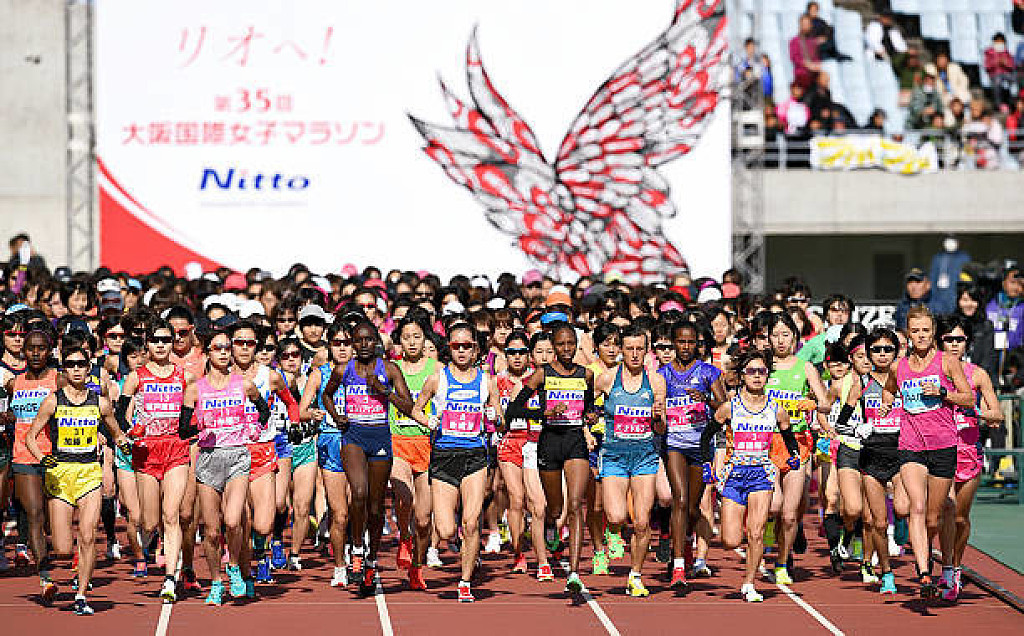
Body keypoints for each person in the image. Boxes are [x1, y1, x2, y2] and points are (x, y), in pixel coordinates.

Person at [26, 346, 129, 615]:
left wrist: (124, 443)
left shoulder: (100, 403)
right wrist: (42, 458)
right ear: (64, 370)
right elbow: (30, 437)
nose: (76, 369)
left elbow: (117, 433)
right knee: (62, 548)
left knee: (88, 536)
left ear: (88, 368)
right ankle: (67, 566)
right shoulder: (53, 401)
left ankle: (81, 595)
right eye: (70, 365)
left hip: (89, 472)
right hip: (60, 474)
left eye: (81, 364)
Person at [701, 349, 801, 603]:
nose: (757, 376)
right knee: (730, 540)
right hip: (734, 474)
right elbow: (706, 435)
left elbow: (789, 437)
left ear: (767, 375)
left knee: (756, 533)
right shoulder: (729, 408)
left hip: (762, 475)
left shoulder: (776, 410)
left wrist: (793, 455)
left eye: (762, 371)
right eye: (751, 371)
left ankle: (749, 583)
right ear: (742, 375)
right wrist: (707, 463)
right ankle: (745, 568)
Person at [322, 319, 414, 596]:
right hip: (354, 437)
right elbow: (326, 396)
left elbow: (408, 406)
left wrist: (384, 391)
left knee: (375, 507)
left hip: (380, 438)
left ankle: (372, 561)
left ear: (377, 342)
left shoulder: (390, 369)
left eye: (368, 340)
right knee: (358, 493)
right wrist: (337, 417)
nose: (363, 345)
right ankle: (357, 550)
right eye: (358, 340)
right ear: (352, 343)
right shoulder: (344, 369)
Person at [180, 329, 272, 605]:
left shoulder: (244, 384)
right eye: (216, 348)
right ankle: (216, 582)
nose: (222, 352)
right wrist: (200, 428)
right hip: (208, 459)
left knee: (233, 521)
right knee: (211, 531)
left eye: (225, 347)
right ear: (207, 352)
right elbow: (183, 430)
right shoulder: (195, 388)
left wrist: (253, 429)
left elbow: (264, 412)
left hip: (237, 458)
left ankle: (233, 567)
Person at [411, 322, 502, 601]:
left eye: (467, 346)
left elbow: (500, 416)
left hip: (475, 456)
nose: (461, 351)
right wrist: (428, 420)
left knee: (472, 522)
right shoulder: (437, 379)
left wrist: (494, 417)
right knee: (446, 529)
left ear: (476, 349)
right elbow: (415, 409)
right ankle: (452, 547)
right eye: (456, 346)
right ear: (449, 348)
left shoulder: (487, 381)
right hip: (444, 457)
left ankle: (465, 581)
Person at [507, 321, 597, 595]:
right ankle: (549, 526)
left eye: (571, 343)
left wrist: (591, 415)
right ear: (554, 347)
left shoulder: (586, 374)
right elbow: (513, 410)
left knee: (575, 505)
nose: (567, 348)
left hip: (575, 442)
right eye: (561, 344)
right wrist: (542, 414)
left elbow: (589, 407)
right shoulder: (541, 374)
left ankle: (574, 572)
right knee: (555, 509)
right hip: (549, 442)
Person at [894, 306, 974, 598]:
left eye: (925, 331)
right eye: (915, 331)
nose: (920, 336)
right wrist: (887, 404)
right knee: (915, 506)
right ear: (908, 333)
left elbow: (968, 398)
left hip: (943, 445)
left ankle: (947, 567)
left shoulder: (947, 362)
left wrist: (943, 393)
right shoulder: (899, 366)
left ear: (934, 333)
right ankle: (924, 573)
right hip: (910, 445)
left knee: (932, 517)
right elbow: (889, 389)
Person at [116, 320, 195, 602]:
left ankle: (170, 578)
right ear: (147, 343)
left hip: (175, 449)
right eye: (155, 340)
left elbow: (192, 414)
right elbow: (119, 413)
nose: (160, 345)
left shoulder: (185, 376)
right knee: (149, 522)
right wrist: (129, 432)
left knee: (172, 514)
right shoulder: (136, 377)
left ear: (173, 342)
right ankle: (154, 541)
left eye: (165, 339)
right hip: (145, 451)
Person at [594, 325, 666, 597]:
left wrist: (658, 417)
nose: (634, 354)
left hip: (645, 455)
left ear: (646, 351)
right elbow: (585, 407)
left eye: (639, 349)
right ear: (621, 351)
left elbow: (661, 428)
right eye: (629, 349)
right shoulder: (606, 379)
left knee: (642, 522)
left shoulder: (656, 381)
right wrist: (588, 427)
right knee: (616, 515)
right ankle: (612, 533)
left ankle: (635, 575)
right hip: (614, 455)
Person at [937, 315, 1003, 601]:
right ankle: (946, 569)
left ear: (967, 342)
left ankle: (956, 566)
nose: (954, 344)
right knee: (945, 510)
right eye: (948, 339)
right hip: (940, 450)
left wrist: (975, 411)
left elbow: (997, 414)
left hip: (969, 451)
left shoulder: (978, 375)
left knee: (961, 518)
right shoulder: (932, 372)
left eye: (959, 339)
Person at [659, 321, 726, 587]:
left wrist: (705, 398)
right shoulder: (662, 374)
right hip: (673, 443)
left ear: (697, 344)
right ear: (673, 343)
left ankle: (686, 541)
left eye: (691, 342)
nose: (686, 347)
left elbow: (725, 408)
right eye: (681, 342)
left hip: (701, 445)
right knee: (680, 499)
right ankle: (678, 566)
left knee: (692, 508)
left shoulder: (709, 372)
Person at [5, 328, 60, 602]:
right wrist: (7, 418)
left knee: (53, 526)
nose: (36, 353)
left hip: (56, 457)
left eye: (41, 348)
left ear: (49, 351)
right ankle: (45, 577)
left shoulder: (58, 379)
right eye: (31, 348)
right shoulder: (13, 383)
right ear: (23, 352)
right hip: (24, 456)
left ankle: (61, 554)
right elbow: (9, 413)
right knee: (35, 514)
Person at [297, 322, 352, 581]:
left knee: (357, 506)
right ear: (329, 346)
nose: (342, 348)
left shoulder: (365, 373)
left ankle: (358, 551)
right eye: (337, 343)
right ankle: (340, 565)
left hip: (358, 442)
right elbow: (301, 410)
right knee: (340, 512)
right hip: (331, 442)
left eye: (346, 343)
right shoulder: (320, 374)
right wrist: (313, 413)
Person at [495, 329, 552, 580]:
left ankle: (542, 549)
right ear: (505, 355)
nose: (517, 357)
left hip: (535, 442)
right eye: (512, 352)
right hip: (510, 443)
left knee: (538, 503)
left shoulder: (537, 379)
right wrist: (496, 418)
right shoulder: (497, 381)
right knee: (516, 499)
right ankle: (518, 553)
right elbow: (496, 415)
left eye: (521, 352)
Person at [390, 315, 437, 589]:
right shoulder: (392, 368)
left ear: (425, 340)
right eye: (406, 337)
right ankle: (404, 537)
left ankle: (417, 566)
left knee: (423, 518)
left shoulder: (435, 369)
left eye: (417, 337)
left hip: (427, 444)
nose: (411, 342)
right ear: (399, 341)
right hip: (398, 441)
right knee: (404, 495)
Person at [983, 33, 1016, 112]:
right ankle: (999, 105)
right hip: (995, 74)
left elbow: (1012, 66)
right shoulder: (989, 53)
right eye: (997, 42)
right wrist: (996, 62)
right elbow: (987, 66)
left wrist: (1006, 63)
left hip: (1006, 74)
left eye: (1001, 42)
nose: (999, 44)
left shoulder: (1006, 53)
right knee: (997, 81)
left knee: (1015, 80)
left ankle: (1014, 101)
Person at [790, 14, 822, 90]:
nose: (805, 26)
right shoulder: (794, 41)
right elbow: (795, 58)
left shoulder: (812, 41)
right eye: (803, 24)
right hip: (802, 75)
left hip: (814, 75)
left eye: (807, 24)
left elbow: (816, 57)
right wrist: (807, 64)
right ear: (800, 25)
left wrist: (817, 65)